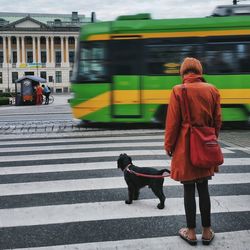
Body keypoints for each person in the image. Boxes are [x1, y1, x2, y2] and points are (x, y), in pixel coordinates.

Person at [164, 57, 222, 246]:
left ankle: (190, 232)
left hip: (184, 148)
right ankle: (206, 231)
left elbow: (172, 124)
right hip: (205, 145)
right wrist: (211, 140)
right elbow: (217, 121)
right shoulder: (212, 90)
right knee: (203, 187)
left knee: (188, 188)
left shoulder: (178, 91)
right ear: (199, 71)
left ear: (183, 72)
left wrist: (169, 145)